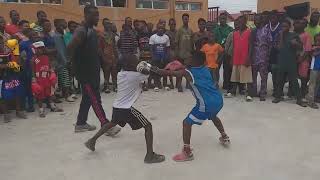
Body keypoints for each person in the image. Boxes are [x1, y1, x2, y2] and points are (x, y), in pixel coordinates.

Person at [84, 54, 165, 164]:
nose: (138, 62)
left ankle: (92, 140)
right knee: (148, 126)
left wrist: (143, 66)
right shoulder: (135, 76)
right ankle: (149, 156)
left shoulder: (120, 74)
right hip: (126, 108)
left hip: (117, 106)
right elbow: (153, 73)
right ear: (131, 65)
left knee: (113, 122)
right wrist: (150, 66)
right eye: (136, 61)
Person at [158, 51, 230, 162]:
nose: (188, 59)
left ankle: (187, 152)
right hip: (218, 99)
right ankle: (224, 137)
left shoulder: (188, 72)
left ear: (195, 61)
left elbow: (173, 74)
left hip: (206, 104)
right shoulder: (206, 68)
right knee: (213, 116)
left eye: (190, 58)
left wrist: (156, 70)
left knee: (186, 123)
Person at [67, 5, 121, 135]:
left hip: (93, 70)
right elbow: (70, 47)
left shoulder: (91, 30)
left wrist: (105, 59)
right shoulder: (81, 30)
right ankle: (106, 126)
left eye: (98, 14)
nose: (97, 17)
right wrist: (73, 64)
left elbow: (96, 49)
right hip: (85, 73)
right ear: (86, 15)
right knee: (95, 99)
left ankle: (80, 123)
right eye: (94, 15)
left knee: (88, 98)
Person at [272, 19, 307, 107]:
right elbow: (278, 48)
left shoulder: (294, 35)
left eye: (286, 26)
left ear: (289, 27)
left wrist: (295, 44)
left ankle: (299, 99)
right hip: (281, 60)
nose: (284, 28)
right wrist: (281, 36)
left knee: (294, 81)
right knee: (279, 80)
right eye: (282, 26)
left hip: (291, 61)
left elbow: (301, 47)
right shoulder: (279, 35)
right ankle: (278, 96)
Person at [0, 16, 27, 122]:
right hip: (2, 69)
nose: (1, 23)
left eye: (3, 21)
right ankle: (6, 114)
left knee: (16, 89)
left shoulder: (8, 36)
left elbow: (14, 50)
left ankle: (18, 111)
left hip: (10, 63)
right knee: (2, 93)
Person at [31, 41, 62, 117]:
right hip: (39, 79)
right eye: (38, 49)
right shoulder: (34, 59)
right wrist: (34, 80)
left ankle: (52, 107)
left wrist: (52, 73)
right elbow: (33, 70)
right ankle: (41, 110)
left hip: (47, 78)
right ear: (34, 50)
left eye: (41, 49)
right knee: (40, 96)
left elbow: (50, 66)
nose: (40, 50)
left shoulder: (46, 57)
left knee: (50, 93)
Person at [229, 15, 254, 101]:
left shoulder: (249, 32)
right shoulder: (235, 33)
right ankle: (233, 92)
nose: (240, 23)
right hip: (236, 58)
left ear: (245, 21)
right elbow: (234, 46)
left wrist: (249, 57)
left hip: (245, 58)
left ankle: (249, 94)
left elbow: (251, 46)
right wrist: (232, 58)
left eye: (242, 21)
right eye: (239, 22)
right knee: (235, 76)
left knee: (248, 77)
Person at [52, 19, 75, 102]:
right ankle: (66, 95)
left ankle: (67, 93)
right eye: (62, 25)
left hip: (66, 60)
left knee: (66, 78)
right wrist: (65, 61)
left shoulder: (63, 35)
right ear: (57, 26)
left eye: (65, 25)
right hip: (61, 62)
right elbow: (60, 51)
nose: (64, 27)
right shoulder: (56, 36)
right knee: (64, 78)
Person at [251, 14, 272, 101]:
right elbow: (251, 44)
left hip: (263, 56)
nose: (255, 22)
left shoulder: (266, 30)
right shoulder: (253, 31)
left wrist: (268, 55)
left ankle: (263, 93)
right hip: (254, 56)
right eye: (254, 20)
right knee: (253, 75)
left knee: (264, 76)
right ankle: (253, 92)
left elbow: (270, 43)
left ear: (262, 20)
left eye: (257, 20)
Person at [213, 13, 234, 90]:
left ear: (226, 20)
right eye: (221, 19)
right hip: (217, 53)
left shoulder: (230, 29)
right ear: (219, 19)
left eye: (224, 19)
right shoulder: (215, 29)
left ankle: (226, 85)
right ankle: (215, 83)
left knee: (227, 69)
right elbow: (213, 40)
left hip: (227, 52)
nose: (223, 20)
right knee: (216, 68)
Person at [294, 19, 313, 99]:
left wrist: (301, 59)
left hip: (303, 59)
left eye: (302, 24)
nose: (299, 25)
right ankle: (293, 92)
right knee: (294, 76)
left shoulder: (307, 35)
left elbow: (308, 50)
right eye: (298, 23)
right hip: (294, 58)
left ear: (305, 26)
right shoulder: (294, 34)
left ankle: (302, 93)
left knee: (303, 78)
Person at [175, 13, 194, 92]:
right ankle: (179, 85)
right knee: (180, 70)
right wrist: (176, 54)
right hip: (180, 53)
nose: (186, 20)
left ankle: (188, 84)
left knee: (188, 70)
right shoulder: (179, 30)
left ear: (188, 20)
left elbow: (192, 42)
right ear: (182, 20)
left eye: (187, 18)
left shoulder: (190, 30)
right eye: (184, 19)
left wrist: (192, 52)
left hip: (188, 54)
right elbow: (176, 42)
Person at [149, 23, 170, 91]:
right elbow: (151, 49)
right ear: (157, 29)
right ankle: (156, 85)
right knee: (155, 71)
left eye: (162, 28)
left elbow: (168, 49)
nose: (160, 29)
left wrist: (166, 57)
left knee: (165, 71)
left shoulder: (166, 37)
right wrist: (153, 57)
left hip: (164, 57)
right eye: (159, 28)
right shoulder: (153, 37)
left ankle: (165, 84)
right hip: (156, 57)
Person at [100, 18, 118, 93]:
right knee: (106, 71)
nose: (108, 25)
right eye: (106, 23)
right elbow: (100, 47)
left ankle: (115, 86)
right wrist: (102, 57)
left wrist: (116, 56)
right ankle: (106, 86)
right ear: (103, 24)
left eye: (109, 23)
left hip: (113, 55)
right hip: (105, 55)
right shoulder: (101, 34)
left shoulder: (112, 34)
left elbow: (114, 46)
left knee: (114, 71)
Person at [267, 10, 282, 97]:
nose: (272, 19)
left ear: (277, 18)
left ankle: (277, 90)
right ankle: (273, 88)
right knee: (271, 70)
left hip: (278, 53)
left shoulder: (281, 27)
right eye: (271, 17)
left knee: (276, 72)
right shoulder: (266, 27)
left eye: (274, 17)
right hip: (268, 53)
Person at [306, 34, 320, 109]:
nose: (318, 42)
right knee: (312, 84)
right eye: (316, 40)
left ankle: (311, 97)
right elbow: (313, 54)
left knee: (317, 84)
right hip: (314, 68)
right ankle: (311, 101)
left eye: (319, 41)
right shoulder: (313, 48)